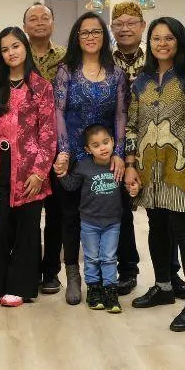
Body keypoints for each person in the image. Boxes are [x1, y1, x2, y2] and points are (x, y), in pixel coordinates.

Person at [124, 17, 185, 332]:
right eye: (156, 38)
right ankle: (163, 286)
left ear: (179, 41)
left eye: (169, 38)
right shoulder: (141, 82)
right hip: (148, 166)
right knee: (156, 226)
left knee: (184, 232)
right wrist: (130, 163)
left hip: (180, 166)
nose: (162, 44)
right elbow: (132, 124)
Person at [53, 11, 128, 305]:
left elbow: (120, 115)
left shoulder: (116, 73)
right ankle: (74, 275)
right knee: (71, 217)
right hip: (72, 155)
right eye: (84, 32)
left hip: (104, 157)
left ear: (104, 36)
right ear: (77, 37)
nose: (91, 37)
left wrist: (118, 153)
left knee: (109, 215)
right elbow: (58, 111)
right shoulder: (66, 70)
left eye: (96, 31)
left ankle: (110, 278)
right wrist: (63, 149)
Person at [111, 1, 185, 297]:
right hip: (117, 145)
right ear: (112, 28)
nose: (125, 28)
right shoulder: (105, 60)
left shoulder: (157, 57)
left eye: (132, 22)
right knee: (120, 212)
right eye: (119, 24)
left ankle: (171, 273)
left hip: (160, 145)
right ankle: (127, 270)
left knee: (167, 211)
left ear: (143, 26)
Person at [0, 27, 57, 307]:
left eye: (15, 46)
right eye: (4, 49)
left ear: (25, 47)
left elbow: (48, 132)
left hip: (30, 166)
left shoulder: (41, 86)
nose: (11, 53)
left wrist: (39, 172)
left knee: (28, 228)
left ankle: (22, 287)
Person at [23, 2, 66, 294]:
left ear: (53, 23)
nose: (39, 22)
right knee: (27, 214)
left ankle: (51, 271)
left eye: (45, 17)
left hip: (59, 144)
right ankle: (26, 269)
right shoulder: (17, 54)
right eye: (33, 18)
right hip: (25, 148)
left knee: (56, 213)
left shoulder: (66, 56)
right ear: (24, 26)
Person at [59, 124, 123, 314]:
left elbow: (128, 189)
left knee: (109, 257)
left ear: (113, 142)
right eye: (96, 145)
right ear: (88, 149)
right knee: (92, 257)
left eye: (105, 142)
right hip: (89, 223)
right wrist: (61, 173)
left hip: (112, 223)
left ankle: (110, 291)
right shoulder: (83, 166)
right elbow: (71, 185)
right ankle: (94, 290)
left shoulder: (117, 166)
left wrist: (135, 189)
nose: (102, 148)